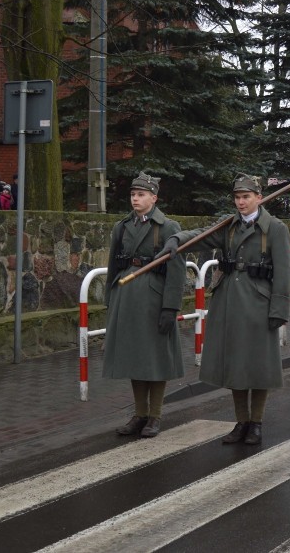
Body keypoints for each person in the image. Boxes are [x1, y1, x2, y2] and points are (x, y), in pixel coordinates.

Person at [160, 173, 290, 446]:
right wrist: (178, 239)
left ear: (258, 197)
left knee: (258, 367)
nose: (241, 202)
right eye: (237, 197)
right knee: (235, 365)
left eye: (246, 197)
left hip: (259, 304)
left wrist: (279, 309)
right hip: (229, 302)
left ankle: (255, 423)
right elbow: (202, 236)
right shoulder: (230, 226)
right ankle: (241, 421)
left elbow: (283, 273)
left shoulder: (275, 229)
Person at [103, 173, 186, 438]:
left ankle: (155, 416)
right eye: (132, 194)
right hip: (126, 298)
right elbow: (114, 264)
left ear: (154, 198)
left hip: (154, 298)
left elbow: (177, 270)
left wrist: (170, 308)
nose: (135, 199)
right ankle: (139, 414)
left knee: (155, 359)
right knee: (134, 358)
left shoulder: (168, 227)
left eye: (141, 195)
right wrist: (111, 299)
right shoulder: (122, 226)